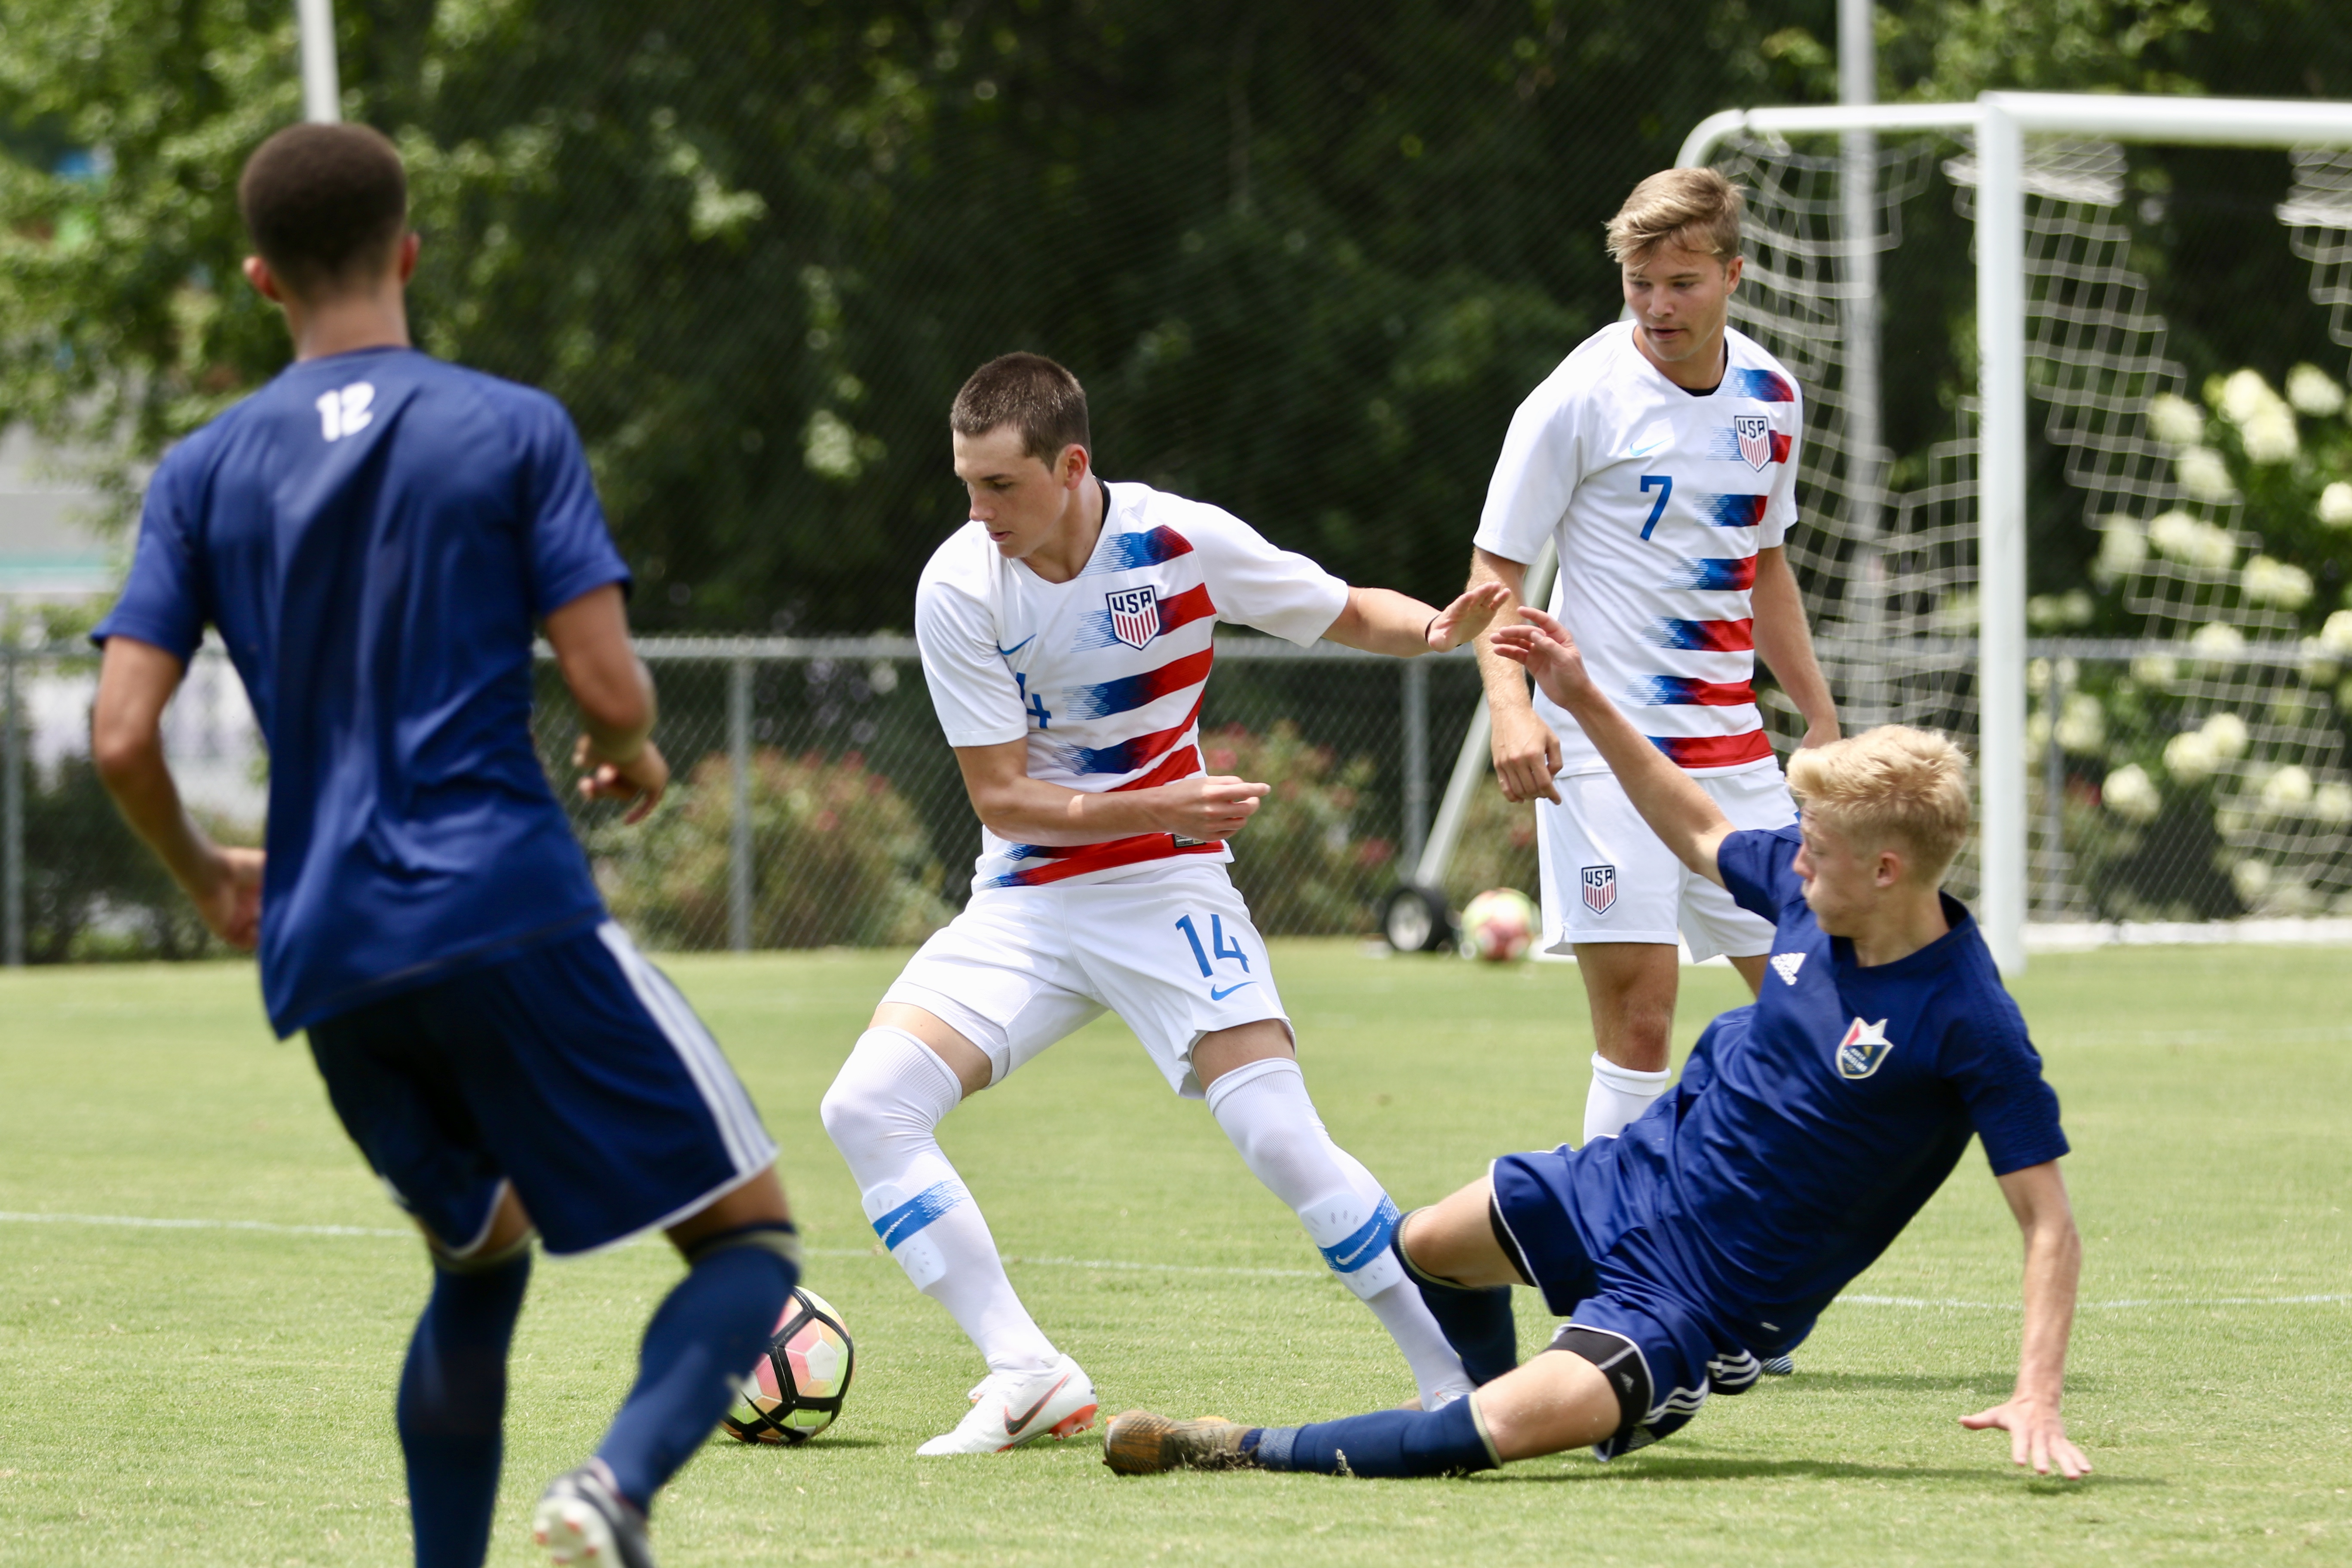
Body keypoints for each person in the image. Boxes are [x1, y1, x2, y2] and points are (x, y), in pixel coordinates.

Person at [87, 122, 797, 1568]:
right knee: (748, 1242)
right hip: (503, 900)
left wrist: (212, 870)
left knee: (480, 1252)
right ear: (409, 251)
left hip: (329, 949)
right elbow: (607, 690)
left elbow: (117, 732)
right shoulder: (510, 424)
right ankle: (613, 1485)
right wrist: (641, 750)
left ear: (258, 278)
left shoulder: (204, 467)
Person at [1098, 605, 2089, 1484]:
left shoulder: (1969, 1019)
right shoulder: (1806, 893)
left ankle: (1229, 1444)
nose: (1794, 857)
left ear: (1885, 870)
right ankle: (1469, 1400)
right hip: (1634, 1178)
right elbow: (1695, 823)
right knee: (1427, 1247)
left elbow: (2048, 1222)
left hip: (1707, 1294)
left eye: (1816, 848)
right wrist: (1576, 693)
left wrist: (2036, 1394)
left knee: (1500, 1433)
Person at [819, 352, 1510, 1454]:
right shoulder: (958, 587)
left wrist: (1437, 631)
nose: (979, 511)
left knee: (1281, 1136)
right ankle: (1028, 1371)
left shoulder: (1178, 540)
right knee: (865, 1108)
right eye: (967, 486)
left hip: (1164, 881)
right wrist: (1163, 801)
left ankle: (1455, 1386)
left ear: (1072, 466)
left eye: (1001, 486)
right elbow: (1004, 797)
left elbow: (1339, 609)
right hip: (1030, 898)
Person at [1464, 167, 1841, 1159]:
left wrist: (1825, 723)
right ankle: (1617, 1272)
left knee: (1814, 1012)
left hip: (1735, 760)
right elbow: (1496, 573)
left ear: (1733, 274)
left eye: (1682, 282)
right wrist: (1513, 708)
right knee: (1640, 1022)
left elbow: (1765, 570)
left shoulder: (1773, 398)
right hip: (1603, 753)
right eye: (1640, 282)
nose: (1659, 306)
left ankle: (1741, 1240)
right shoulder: (1577, 397)